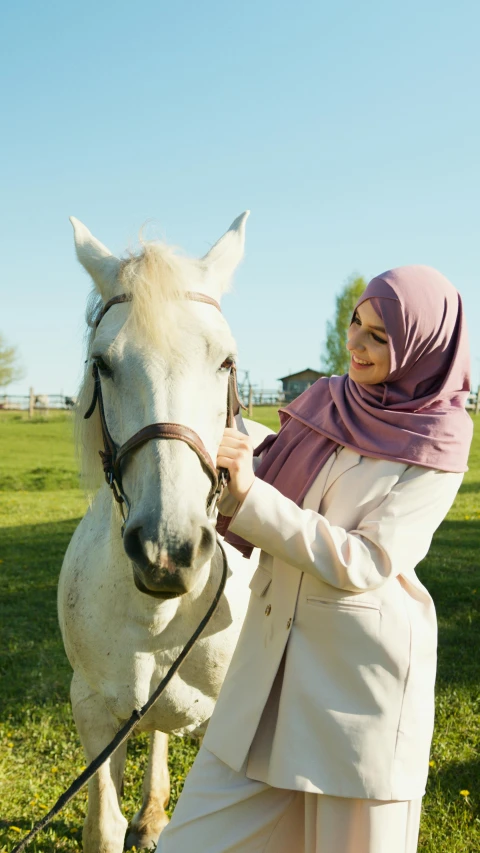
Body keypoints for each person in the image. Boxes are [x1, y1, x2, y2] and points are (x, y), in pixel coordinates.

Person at [156, 266, 473, 853]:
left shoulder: (439, 441)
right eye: (357, 322)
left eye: (380, 336)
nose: (355, 343)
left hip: (354, 696)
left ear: (422, 347)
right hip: (264, 677)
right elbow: (270, 473)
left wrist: (253, 497)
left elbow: (368, 560)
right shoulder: (329, 401)